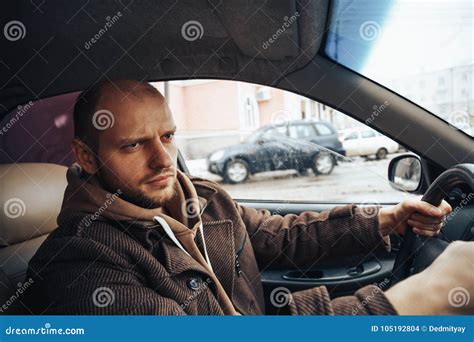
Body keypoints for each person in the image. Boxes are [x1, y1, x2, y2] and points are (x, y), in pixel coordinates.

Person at [22, 80, 471, 315]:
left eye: (168, 136)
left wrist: (386, 220)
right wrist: (415, 300)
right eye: (133, 144)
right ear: (86, 154)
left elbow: (282, 236)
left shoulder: (205, 199)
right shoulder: (78, 263)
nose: (164, 160)